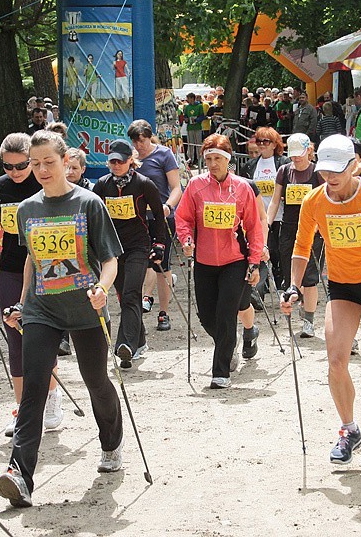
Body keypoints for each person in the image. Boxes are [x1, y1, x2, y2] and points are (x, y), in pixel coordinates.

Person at [0, 129, 124, 508]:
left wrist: (102, 288)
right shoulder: (27, 210)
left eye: (48, 162)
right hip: (42, 310)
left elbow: (110, 258)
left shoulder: (89, 203)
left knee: (95, 380)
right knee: (33, 386)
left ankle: (111, 443)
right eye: (34, 164)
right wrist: (20, 305)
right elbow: (32, 260)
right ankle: (20, 475)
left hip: (86, 309)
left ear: (65, 161)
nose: (41, 170)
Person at [280, 133, 361, 472]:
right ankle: (349, 430)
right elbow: (302, 248)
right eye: (325, 171)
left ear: (355, 164)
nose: (330, 178)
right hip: (343, 284)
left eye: (338, 170)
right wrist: (293, 286)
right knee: (335, 360)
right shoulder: (314, 202)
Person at [0, 133, 64, 436]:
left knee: (41, 334)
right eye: (8, 166)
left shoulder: (43, 182)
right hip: (10, 268)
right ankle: (22, 409)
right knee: (15, 337)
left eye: (21, 165)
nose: (15, 172)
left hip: (45, 268)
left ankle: (51, 397)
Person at [176, 134, 264, 388]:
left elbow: (253, 227)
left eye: (217, 159)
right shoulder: (195, 186)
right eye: (208, 159)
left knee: (226, 313)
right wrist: (186, 240)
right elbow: (183, 218)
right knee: (207, 316)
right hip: (204, 261)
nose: (213, 164)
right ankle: (228, 342)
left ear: (228, 160)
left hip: (234, 261)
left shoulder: (242, 188)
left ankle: (221, 372)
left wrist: (254, 261)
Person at [93, 139, 166, 368]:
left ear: (130, 161)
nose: (116, 166)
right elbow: (94, 216)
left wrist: (160, 244)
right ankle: (140, 339)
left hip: (138, 245)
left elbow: (158, 216)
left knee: (133, 293)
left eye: (120, 162)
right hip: (113, 249)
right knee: (125, 296)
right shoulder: (103, 185)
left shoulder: (144, 184)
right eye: (112, 161)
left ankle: (125, 345)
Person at [266, 133, 323, 339]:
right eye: (293, 155)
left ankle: (309, 321)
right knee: (291, 277)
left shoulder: (317, 172)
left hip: (313, 229)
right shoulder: (284, 171)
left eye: (299, 154)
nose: (296, 158)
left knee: (309, 278)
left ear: (309, 150)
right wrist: (267, 224)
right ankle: (296, 302)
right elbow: (275, 201)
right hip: (289, 228)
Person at [128, 120, 182, 331]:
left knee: (161, 265)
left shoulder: (164, 155)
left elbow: (176, 187)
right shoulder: (130, 159)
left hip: (161, 218)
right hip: (137, 220)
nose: (139, 145)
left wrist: (168, 206)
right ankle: (139, 306)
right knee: (139, 263)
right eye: (135, 141)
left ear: (149, 137)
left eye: (142, 140)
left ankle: (164, 313)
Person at [238, 126, 290, 298]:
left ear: (274, 144)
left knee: (279, 251)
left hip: (281, 215)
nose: (261, 145)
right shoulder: (250, 165)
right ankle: (260, 288)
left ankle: (283, 280)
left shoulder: (284, 164)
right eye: (259, 141)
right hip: (259, 217)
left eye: (265, 142)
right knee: (261, 249)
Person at [183, 92, 205, 166]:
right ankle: (190, 160)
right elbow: (185, 116)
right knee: (190, 144)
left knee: (198, 144)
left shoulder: (199, 106)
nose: (187, 100)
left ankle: (200, 160)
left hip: (197, 127)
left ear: (192, 98)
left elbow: (202, 116)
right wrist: (186, 119)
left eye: (188, 98)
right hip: (190, 128)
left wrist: (196, 120)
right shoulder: (187, 107)